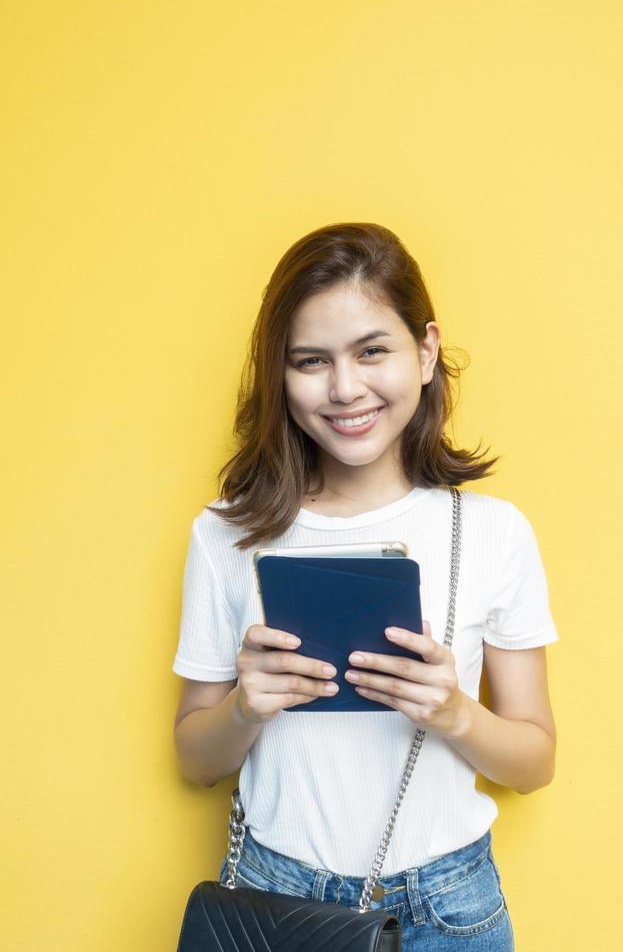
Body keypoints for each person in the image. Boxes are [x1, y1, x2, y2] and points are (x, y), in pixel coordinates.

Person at [172, 222, 559, 950]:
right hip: (275, 901)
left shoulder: (492, 531)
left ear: (425, 351)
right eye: (310, 361)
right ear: (279, 376)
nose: (344, 388)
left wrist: (453, 714)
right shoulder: (225, 533)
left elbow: (535, 762)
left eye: (371, 350)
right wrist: (245, 708)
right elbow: (194, 759)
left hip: (448, 910)